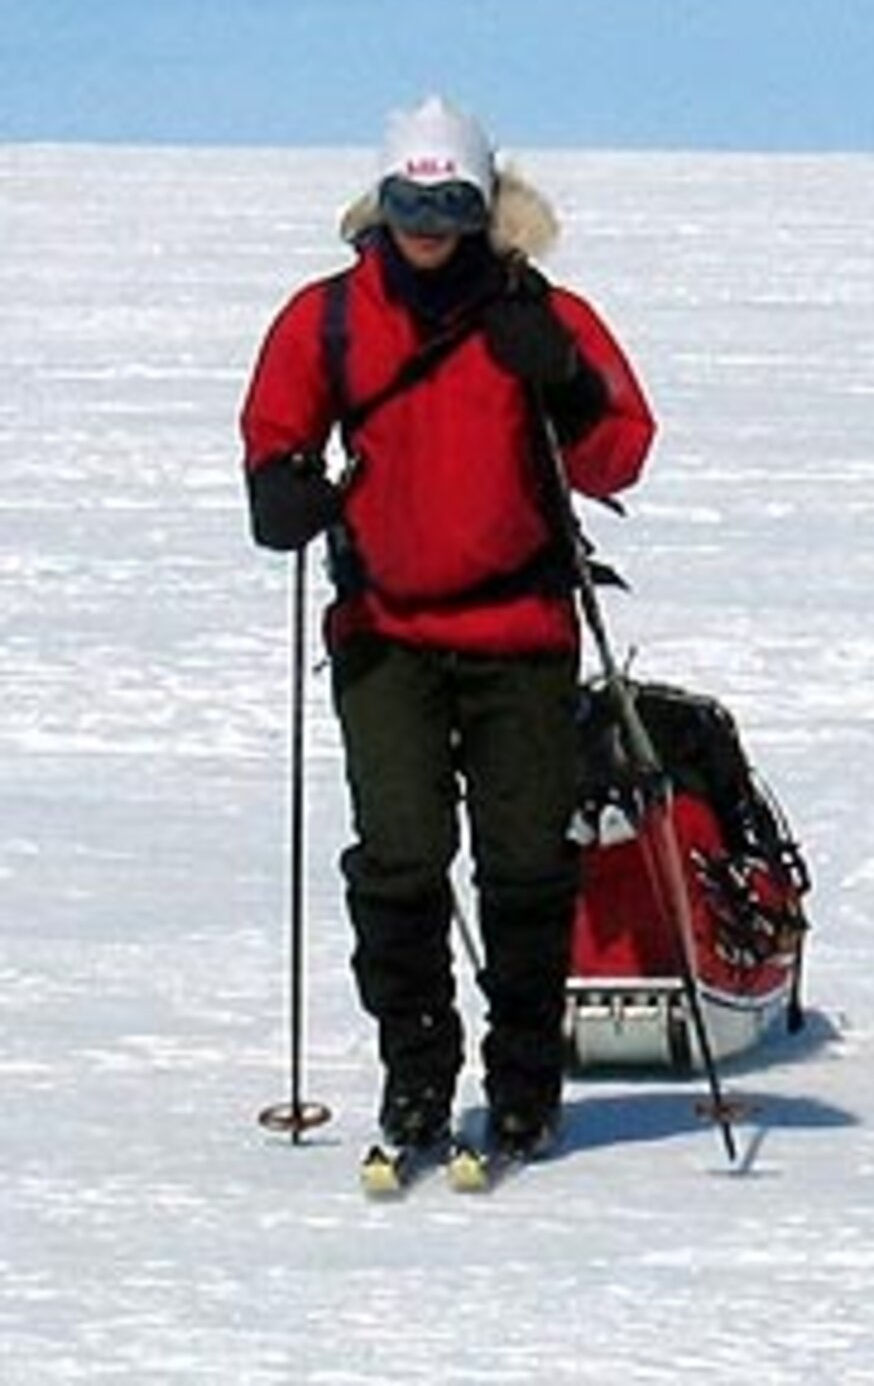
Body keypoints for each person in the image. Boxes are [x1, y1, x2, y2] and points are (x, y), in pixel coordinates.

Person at [241, 94, 656, 1159]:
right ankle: (416, 1075)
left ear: (483, 207)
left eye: (450, 201)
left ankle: (524, 1082)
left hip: (519, 630)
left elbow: (620, 448)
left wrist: (559, 379)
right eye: (409, 200)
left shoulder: (542, 315)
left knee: (524, 866)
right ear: (380, 204)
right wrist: (280, 488)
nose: (428, 222)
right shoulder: (326, 318)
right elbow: (277, 429)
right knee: (400, 860)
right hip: (384, 632)